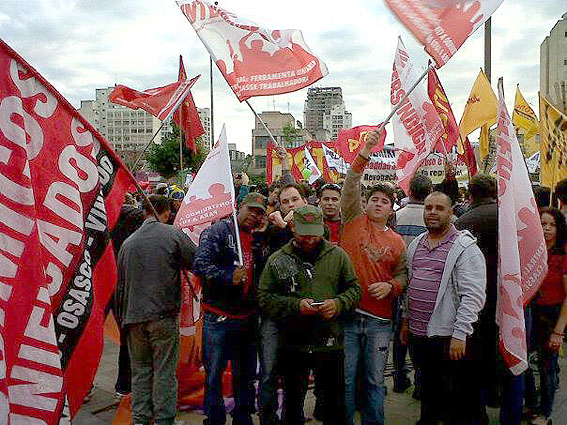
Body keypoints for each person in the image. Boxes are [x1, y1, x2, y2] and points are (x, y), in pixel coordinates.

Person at [258, 205, 361, 425]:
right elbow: (265, 297)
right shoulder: (277, 259)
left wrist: (338, 303)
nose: (311, 239)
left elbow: (354, 289)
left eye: (315, 232)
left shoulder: (338, 256)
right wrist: (295, 306)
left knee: (334, 406)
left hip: (330, 342)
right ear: (293, 228)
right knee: (293, 405)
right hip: (294, 344)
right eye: (305, 233)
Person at [340, 131, 408, 425]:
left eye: (384, 201)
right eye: (374, 199)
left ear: (391, 209)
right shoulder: (353, 220)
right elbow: (351, 186)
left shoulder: (398, 242)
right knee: (345, 383)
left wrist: (391, 285)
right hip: (348, 318)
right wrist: (365, 151)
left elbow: (404, 275)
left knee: (375, 382)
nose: (378, 203)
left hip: (380, 322)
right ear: (366, 204)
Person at [401, 191, 487, 425]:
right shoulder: (417, 244)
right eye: (429, 208)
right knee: (428, 390)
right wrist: (406, 320)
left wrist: (460, 334)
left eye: (439, 208)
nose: (432, 213)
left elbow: (473, 296)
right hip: (420, 335)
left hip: (449, 336)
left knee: (454, 396)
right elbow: (410, 285)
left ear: (451, 212)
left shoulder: (465, 247)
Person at [116, 195, 196, 425]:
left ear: (144, 213)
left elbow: (120, 286)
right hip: (162, 315)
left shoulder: (128, 243)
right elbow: (197, 260)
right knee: (164, 371)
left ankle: (140, 419)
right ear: (167, 213)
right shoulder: (171, 234)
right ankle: (163, 419)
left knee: (140, 372)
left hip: (133, 318)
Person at [194, 193, 268, 425]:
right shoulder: (219, 231)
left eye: (259, 212)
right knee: (214, 373)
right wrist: (228, 276)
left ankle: (243, 415)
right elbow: (199, 264)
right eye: (251, 209)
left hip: (247, 318)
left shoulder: (257, 238)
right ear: (239, 207)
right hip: (219, 318)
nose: (254, 215)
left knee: (245, 374)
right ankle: (214, 417)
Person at [526, 207, 567, 425]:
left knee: (546, 366)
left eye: (552, 224)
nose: (547, 229)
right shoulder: (533, 250)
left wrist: (558, 331)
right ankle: (532, 403)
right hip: (532, 312)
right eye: (543, 224)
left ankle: (545, 411)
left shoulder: (564, 253)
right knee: (523, 361)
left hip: (553, 316)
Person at [392, 174, 432, 396]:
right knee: (422, 336)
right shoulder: (436, 218)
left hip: (400, 284)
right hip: (424, 287)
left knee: (400, 334)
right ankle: (420, 382)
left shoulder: (397, 217)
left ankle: (399, 376)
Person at [111, 193, 144, 397]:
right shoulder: (133, 217)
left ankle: (85, 386)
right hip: (128, 286)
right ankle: (125, 385)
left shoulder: (106, 221)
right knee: (129, 339)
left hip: (107, 282)